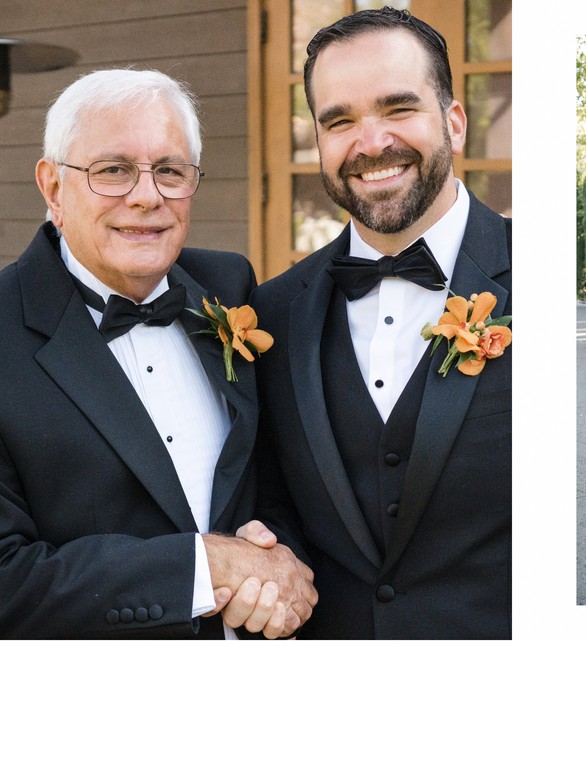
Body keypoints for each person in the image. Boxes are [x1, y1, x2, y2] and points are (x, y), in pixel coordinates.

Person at [0, 69, 317, 638]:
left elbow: (272, 473)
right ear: (52, 187)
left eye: (169, 171)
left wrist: (274, 570)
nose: (147, 196)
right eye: (113, 170)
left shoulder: (229, 287)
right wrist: (205, 567)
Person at [251, 8, 511, 638]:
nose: (370, 144)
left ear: (453, 120)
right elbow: (269, 497)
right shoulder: (273, 312)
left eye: (398, 109)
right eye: (339, 120)